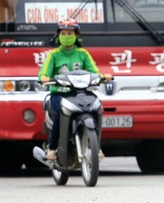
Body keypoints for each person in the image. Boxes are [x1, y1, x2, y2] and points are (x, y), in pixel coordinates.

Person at [39, 19, 113, 162]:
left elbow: (94, 71)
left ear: (76, 35)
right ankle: (52, 148)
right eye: (64, 33)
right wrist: (44, 77)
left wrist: (103, 77)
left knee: (96, 108)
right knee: (61, 112)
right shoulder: (54, 55)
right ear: (59, 35)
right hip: (59, 94)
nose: (67, 36)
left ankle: (96, 147)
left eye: (70, 33)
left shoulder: (83, 53)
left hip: (81, 93)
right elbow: (43, 73)